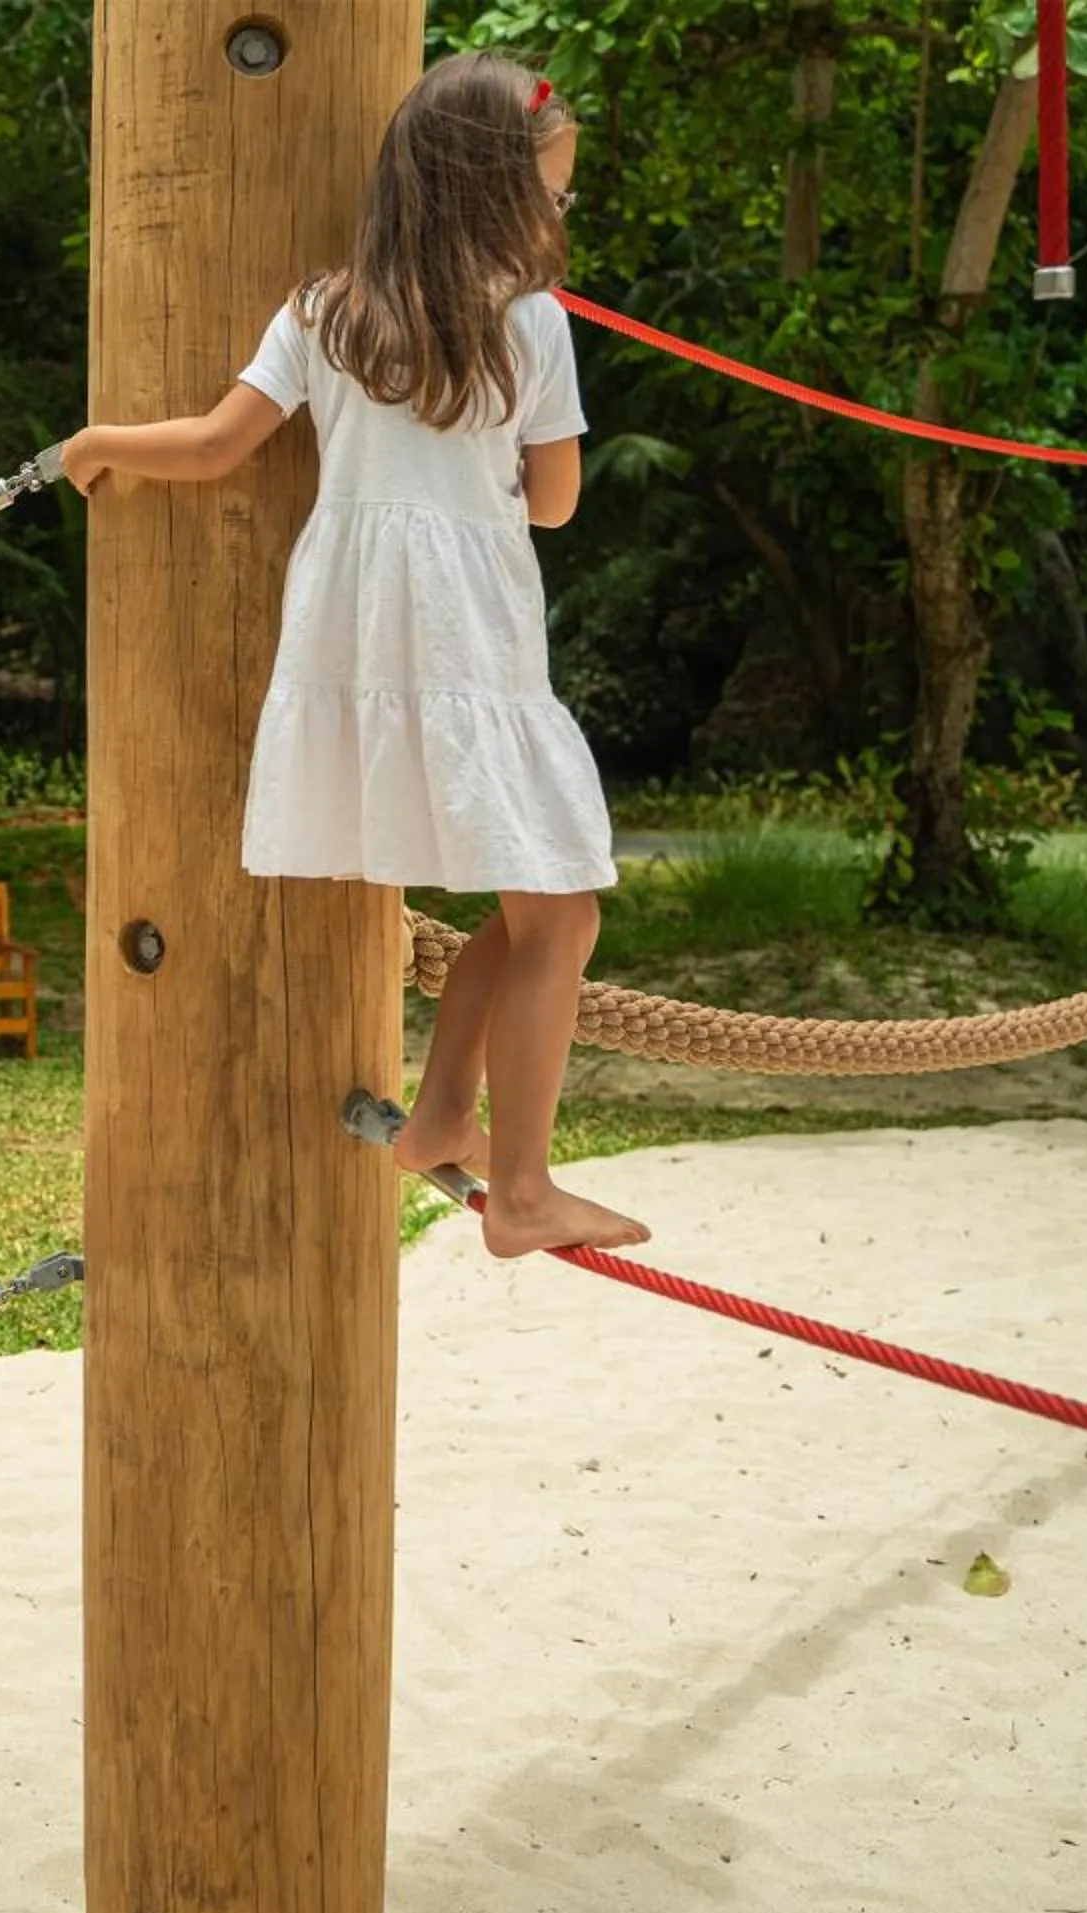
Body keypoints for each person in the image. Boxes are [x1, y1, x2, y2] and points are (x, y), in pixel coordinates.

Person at [58, 53, 647, 1258]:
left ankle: (442, 1117)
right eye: (556, 191)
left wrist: (97, 442)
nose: (562, 211)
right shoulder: (532, 325)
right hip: (471, 636)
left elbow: (215, 445)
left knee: (537, 906)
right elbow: (556, 503)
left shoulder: (327, 311)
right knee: (561, 913)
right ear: (496, 190)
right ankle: (523, 1189)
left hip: (362, 629)